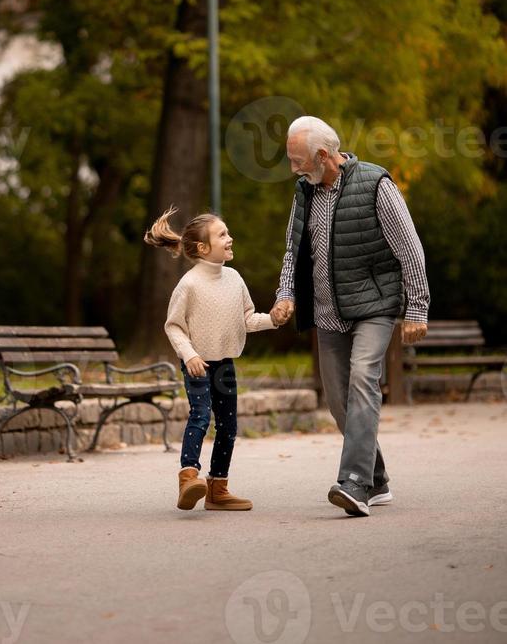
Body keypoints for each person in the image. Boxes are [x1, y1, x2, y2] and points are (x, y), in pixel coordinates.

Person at [270, 116, 430, 518]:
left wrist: (417, 308)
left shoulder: (376, 185)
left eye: (297, 161)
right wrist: (286, 293)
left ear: (323, 156)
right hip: (327, 312)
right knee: (339, 401)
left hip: (374, 307)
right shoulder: (303, 192)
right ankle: (376, 480)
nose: (293, 169)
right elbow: (293, 250)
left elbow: (410, 248)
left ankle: (354, 483)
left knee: (363, 379)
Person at [144, 206, 287, 512]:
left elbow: (247, 319)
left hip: (224, 364)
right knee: (200, 415)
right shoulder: (190, 284)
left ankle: (217, 489)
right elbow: (174, 326)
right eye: (222, 234)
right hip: (198, 363)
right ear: (202, 248)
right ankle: (188, 476)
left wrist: (273, 319)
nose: (230, 238)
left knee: (228, 426)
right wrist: (190, 354)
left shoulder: (234, 279)